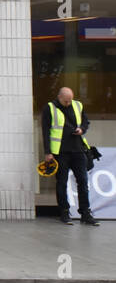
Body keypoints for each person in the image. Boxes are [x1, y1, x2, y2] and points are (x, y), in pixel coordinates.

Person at [42, 86, 98, 226]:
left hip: (78, 150)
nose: (68, 103)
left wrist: (82, 129)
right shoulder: (50, 108)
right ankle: (64, 212)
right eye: (66, 101)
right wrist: (48, 152)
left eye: (70, 100)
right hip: (60, 152)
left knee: (83, 182)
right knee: (62, 182)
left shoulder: (77, 105)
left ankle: (85, 213)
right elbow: (45, 131)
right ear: (59, 97)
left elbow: (86, 121)